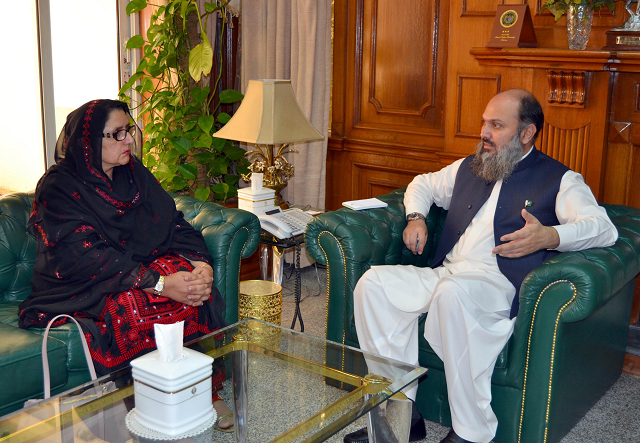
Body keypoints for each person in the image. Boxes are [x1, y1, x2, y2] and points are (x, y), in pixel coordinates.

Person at [343, 89, 618, 443]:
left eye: (496, 125)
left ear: (526, 133)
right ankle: (400, 414)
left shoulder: (560, 179)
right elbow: (423, 184)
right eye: (485, 122)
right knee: (373, 284)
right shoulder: (470, 167)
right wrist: (416, 217)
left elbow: (603, 228)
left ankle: (472, 433)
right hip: (448, 274)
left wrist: (549, 236)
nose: (484, 132)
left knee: (451, 294)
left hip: (498, 284)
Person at [18, 99, 234, 432]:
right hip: (82, 281)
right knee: (134, 305)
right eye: (117, 134)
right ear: (88, 142)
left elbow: (171, 222)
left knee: (188, 283)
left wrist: (200, 265)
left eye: (128, 130)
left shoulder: (132, 173)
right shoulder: (59, 186)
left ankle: (203, 390)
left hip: (133, 266)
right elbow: (88, 256)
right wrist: (160, 283)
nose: (129, 140)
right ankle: (148, 407)